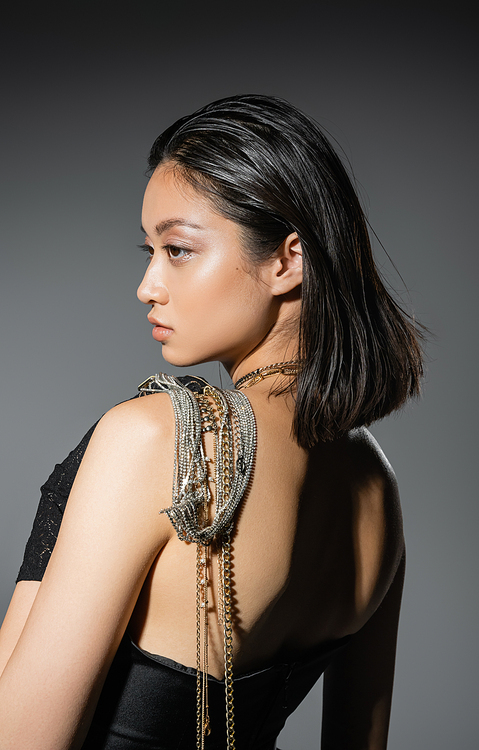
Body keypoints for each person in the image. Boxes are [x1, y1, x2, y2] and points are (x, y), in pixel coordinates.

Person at [0, 94, 423, 750]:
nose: (147, 285)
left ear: (287, 259)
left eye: (177, 250)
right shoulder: (375, 486)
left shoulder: (153, 439)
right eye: (150, 250)